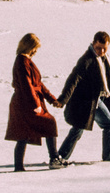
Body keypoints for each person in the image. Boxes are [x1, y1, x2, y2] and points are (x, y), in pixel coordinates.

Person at [57, 30, 110, 163]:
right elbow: (73, 79)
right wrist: (63, 99)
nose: (101, 51)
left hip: (95, 99)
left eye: (104, 48)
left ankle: (61, 156)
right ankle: (107, 157)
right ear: (92, 44)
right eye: (98, 48)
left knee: (80, 128)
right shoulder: (87, 60)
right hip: (87, 101)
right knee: (108, 125)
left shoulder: (102, 58)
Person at [5, 33, 65, 171]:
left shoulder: (26, 61)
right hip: (25, 104)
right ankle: (54, 158)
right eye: (34, 48)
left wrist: (51, 99)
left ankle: (19, 167)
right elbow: (27, 86)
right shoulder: (22, 62)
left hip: (26, 103)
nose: (36, 51)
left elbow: (38, 84)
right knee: (49, 123)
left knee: (23, 134)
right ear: (29, 47)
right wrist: (36, 105)